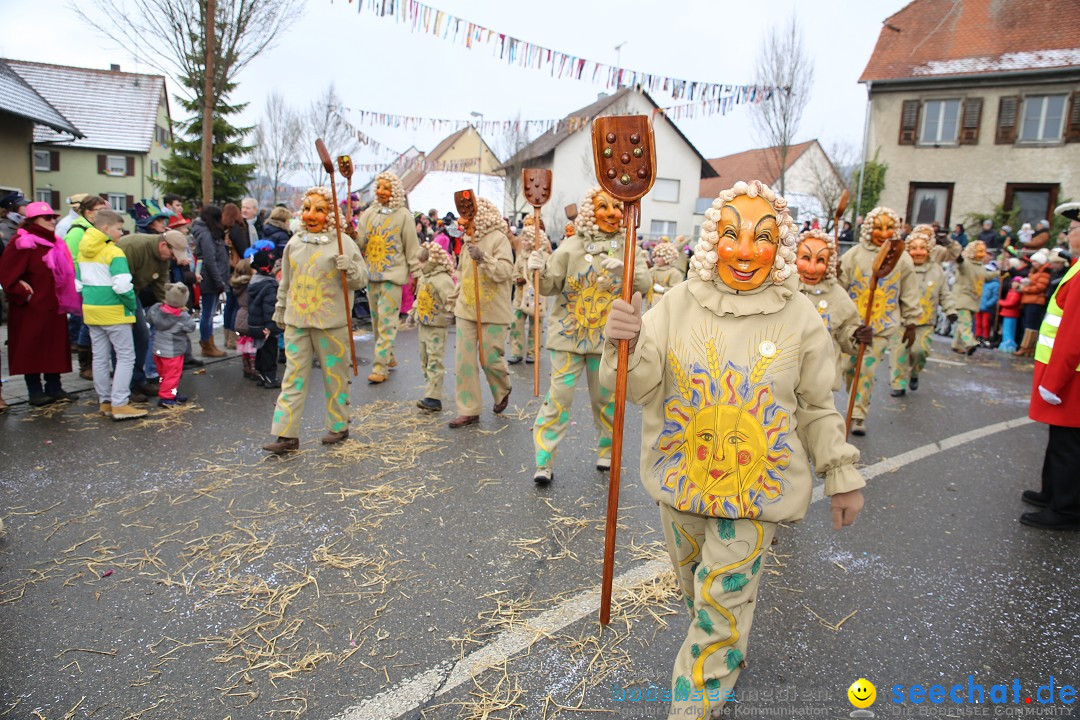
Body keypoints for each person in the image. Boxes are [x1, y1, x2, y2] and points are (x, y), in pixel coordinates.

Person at [602, 180, 864, 719]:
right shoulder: (675, 304)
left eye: (762, 238)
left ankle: (694, 704)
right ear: (711, 238)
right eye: (731, 235)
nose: (745, 252)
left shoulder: (802, 319)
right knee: (700, 595)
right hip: (680, 488)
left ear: (781, 246)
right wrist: (622, 341)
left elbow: (816, 406)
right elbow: (639, 386)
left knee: (718, 607)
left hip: (753, 498)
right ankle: (725, 650)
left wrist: (841, 474)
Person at [526, 186, 651, 481]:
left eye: (617, 207)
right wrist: (535, 269)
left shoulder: (628, 245)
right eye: (603, 207)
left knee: (606, 400)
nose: (612, 213)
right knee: (558, 398)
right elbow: (548, 286)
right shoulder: (570, 247)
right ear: (589, 212)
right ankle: (543, 460)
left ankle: (607, 452)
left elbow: (644, 283)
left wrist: (625, 271)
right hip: (567, 339)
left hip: (607, 341)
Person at [263, 186, 368, 454]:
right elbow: (286, 280)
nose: (311, 214)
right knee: (293, 378)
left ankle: (338, 424)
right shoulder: (294, 243)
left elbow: (361, 279)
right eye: (308, 208)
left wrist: (351, 267)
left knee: (335, 376)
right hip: (298, 321)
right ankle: (286, 434)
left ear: (330, 215)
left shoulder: (344, 243)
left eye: (319, 210)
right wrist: (280, 308)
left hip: (331, 324)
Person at [1020, 202, 1080, 530]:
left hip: (1071, 378)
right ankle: (1053, 493)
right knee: (1060, 440)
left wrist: (1054, 381)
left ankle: (1066, 509)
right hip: (1068, 375)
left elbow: (1073, 334)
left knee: (1068, 446)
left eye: (1073, 228)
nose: (1068, 233)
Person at [838, 206, 920, 434]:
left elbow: (910, 292)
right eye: (878, 228)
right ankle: (854, 399)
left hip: (881, 327)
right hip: (852, 326)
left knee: (866, 369)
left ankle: (858, 415)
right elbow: (839, 284)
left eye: (889, 228)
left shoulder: (902, 260)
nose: (884, 233)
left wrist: (911, 322)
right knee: (849, 368)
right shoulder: (854, 255)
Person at [0, 201, 80, 405]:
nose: (52, 221)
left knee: (53, 347)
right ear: (33, 220)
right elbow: (7, 273)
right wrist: (24, 293)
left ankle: (54, 387)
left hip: (53, 305)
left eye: (53, 217)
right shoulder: (22, 241)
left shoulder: (54, 241)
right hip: (31, 308)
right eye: (47, 218)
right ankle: (34, 391)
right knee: (32, 348)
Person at [74, 208, 146, 420]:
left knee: (100, 357)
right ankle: (121, 403)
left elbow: (78, 284)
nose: (121, 233)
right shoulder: (114, 252)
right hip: (114, 312)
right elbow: (123, 286)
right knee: (125, 357)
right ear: (106, 228)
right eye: (118, 229)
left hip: (92, 311)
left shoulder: (83, 250)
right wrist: (131, 307)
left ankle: (105, 401)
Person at [449, 195, 514, 429]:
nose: (463, 222)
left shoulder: (499, 239)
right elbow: (463, 272)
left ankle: (502, 389)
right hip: (466, 309)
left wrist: (484, 258)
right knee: (464, 361)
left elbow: (506, 271)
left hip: (494, 311)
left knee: (489, 359)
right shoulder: (468, 239)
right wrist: (455, 296)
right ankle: (469, 409)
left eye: (468, 217)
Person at [355, 171, 420, 384]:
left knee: (386, 322)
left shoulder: (403, 216)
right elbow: (360, 244)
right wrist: (350, 234)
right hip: (371, 276)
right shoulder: (368, 214)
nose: (381, 192)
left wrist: (417, 275)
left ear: (394, 192)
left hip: (393, 277)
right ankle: (389, 356)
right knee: (377, 323)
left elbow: (412, 248)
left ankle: (379, 367)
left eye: (386, 188)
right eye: (379, 187)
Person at [116, 229, 191, 401]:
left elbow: (162, 286)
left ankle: (139, 380)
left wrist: (175, 308)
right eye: (172, 253)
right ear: (163, 245)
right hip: (119, 295)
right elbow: (121, 278)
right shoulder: (134, 247)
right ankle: (126, 387)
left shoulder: (162, 258)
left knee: (142, 335)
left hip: (133, 294)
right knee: (125, 340)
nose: (172, 258)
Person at [795, 228, 870, 391]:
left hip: (820, 384)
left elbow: (845, 331)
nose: (811, 268)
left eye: (820, 260)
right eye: (805, 258)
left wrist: (856, 335)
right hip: (782, 379)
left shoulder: (837, 295)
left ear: (829, 264)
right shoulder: (781, 289)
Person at [62, 195, 108, 380]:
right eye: (100, 210)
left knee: (91, 323)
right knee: (86, 324)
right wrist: (81, 282)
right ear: (88, 212)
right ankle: (85, 365)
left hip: (96, 283)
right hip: (85, 285)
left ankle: (95, 365)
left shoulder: (94, 229)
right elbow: (71, 259)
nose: (104, 214)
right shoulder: (77, 231)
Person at [414, 241, 457, 412]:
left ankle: (434, 397)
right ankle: (429, 391)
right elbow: (420, 298)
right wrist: (412, 313)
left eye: (422, 261)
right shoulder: (425, 277)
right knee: (424, 359)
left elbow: (451, 299)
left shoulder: (442, 279)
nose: (419, 265)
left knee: (434, 360)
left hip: (436, 326)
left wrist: (452, 314)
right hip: (423, 324)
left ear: (431, 261)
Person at [508, 219, 550, 365]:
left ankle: (533, 352)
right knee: (516, 325)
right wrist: (518, 279)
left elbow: (549, 276)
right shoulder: (520, 258)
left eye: (527, 240)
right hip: (520, 299)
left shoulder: (544, 257)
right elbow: (514, 275)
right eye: (523, 239)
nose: (523, 242)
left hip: (537, 297)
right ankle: (516, 352)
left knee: (536, 327)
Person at [147, 283, 196, 407]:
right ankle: (167, 398)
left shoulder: (157, 309)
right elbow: (191, 327)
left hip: (158, 350)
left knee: (163, 374)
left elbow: (149, 318)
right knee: (173, 375)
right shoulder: (182, 316)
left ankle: (170, 391)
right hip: (173, 352)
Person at [191, 205, 229, 358]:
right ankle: (206, 343)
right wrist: (219, 281)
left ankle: (209, 342)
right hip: (211, 279)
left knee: (210, 313)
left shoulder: (208, 232)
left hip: (214, 278)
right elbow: (210, 260)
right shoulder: (206, 234)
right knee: (207, 313)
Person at [950, 241, 997, 356]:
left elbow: (986, 276)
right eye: (980, 251)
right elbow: (961, 265)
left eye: (984, 251)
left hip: (974, 300)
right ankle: (970, 342)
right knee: (965, 323)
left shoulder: (980, 266)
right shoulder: (966, 263)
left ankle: (957, 345)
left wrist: (999, 273)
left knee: (962, 323)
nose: (983, 254)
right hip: (962, 299)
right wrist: (959, 257)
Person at [246, 250, 281, 389]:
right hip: (266, 325)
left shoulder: (254, 282)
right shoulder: (270, 285)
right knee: (270, 352)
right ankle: (270, 377)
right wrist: (271, 327)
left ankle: (261, 374)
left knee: (261, 350)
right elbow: (269, 308)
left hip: (255, 323)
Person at [1015, 250, 1051, 356]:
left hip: (1036, 301)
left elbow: (1040, 287)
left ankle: (1026, 347)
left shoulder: (1044, 274)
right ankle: (1027, 347)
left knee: (1031, 326)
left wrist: (1025, 288)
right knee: (1027, 325)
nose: (1033, 263)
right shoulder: (1033, 272)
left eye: (1036, 262)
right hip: (1029, 300)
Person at [231, 257, 257, 379]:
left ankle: (246, 366)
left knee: (245, 342)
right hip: (249, 316)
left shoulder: (238, 285)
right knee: (252, 344)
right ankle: (253, 368)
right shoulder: (250, 286)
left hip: (240, 315)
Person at [977, 262, 1001, 346]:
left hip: (987, 308)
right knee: (978, 323)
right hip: (978, 306)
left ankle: (985, 338)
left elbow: (995, 297)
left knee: (985, 324)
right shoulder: (981, 282)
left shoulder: (995, 284)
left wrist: (988, 304)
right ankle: (978, 338)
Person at [997, 277, 1023, 352]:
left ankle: (1008, 346)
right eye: (1013, 282)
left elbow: (1011, 303)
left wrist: (1001, 302)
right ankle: (1006, 344)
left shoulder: (1016, 293)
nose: (1013, 284)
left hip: (1011, 314)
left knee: (1009, 331)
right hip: (1007, 313)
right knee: (1006, 330)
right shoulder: (1011, 292)